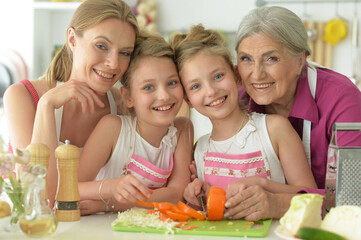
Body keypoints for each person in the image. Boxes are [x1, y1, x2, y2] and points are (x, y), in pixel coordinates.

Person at [224, 6, 361, 220]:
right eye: (246, 59)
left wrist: (279, 204)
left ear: (300, 61)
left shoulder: (342, 100)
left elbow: (354, 201)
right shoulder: (240, 100)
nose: (257, 74)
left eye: (271, 59)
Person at [171, 24, 317, 220]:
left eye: (218, 76)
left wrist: (266, 188)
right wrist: (198, 195)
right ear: (188, 100)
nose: (211, 91)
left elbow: (314, 199)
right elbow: (212, 210)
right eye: (196, 86)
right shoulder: (200, 149)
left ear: (236, 76)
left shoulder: (274, 129)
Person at [3, 0, 138, 206]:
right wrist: (46, 106)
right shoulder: (23, 96)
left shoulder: (122, 105)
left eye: (124, 53)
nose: (113, 63)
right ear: (72, 39)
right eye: (101, 46)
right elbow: (40, 200)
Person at [77, 30, 194, 215]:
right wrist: (110, 187)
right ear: (128, 97)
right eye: (148, 87)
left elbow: (175, 195)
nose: (164, 96)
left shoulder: (182, 129)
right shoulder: (113, 129)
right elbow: (72, 187)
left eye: (172, 83)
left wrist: (108, 204)